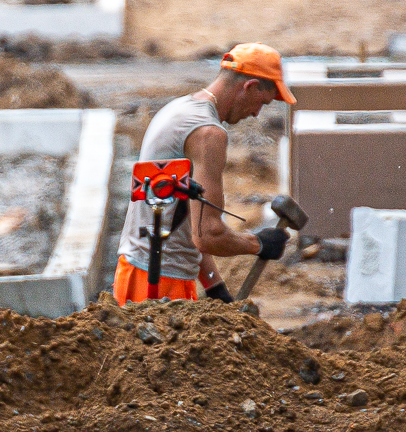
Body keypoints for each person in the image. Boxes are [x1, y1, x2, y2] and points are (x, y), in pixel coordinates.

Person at [114, 43, 295, 304]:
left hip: (140, 270)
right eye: (262, 103)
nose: (257, 114)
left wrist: (214, 286)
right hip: (159, 283)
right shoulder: (208, 133)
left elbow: (187, 216)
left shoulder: (180, 109)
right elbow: (208, 234)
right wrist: (259, 244)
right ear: (250, 86)